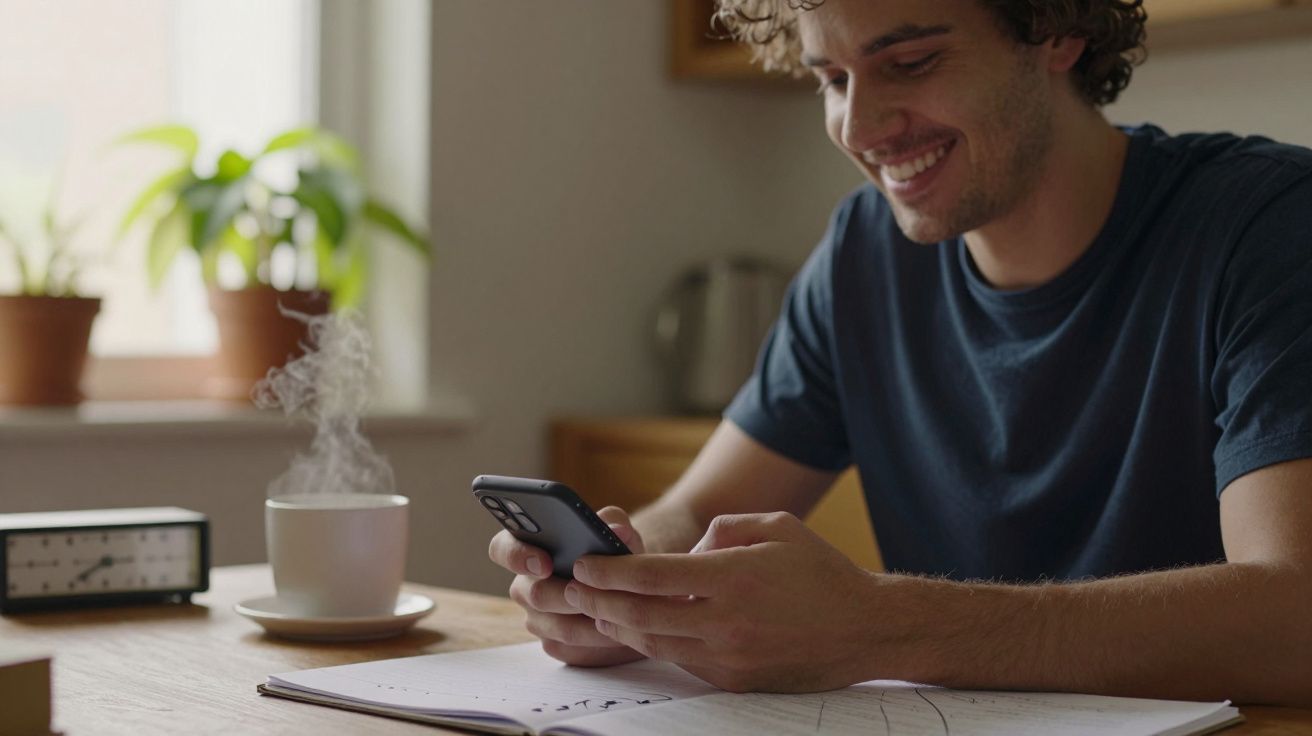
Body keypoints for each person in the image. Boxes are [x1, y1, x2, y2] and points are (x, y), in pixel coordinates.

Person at [489, 0, 1312, 705]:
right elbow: (696, 514)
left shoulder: (1267, 226)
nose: (858, 126)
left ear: (1057, 30)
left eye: (912, 62)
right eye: (832, 79)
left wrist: (879, 625)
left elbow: (1297, 617)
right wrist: (619, 586)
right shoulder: (862, 256)